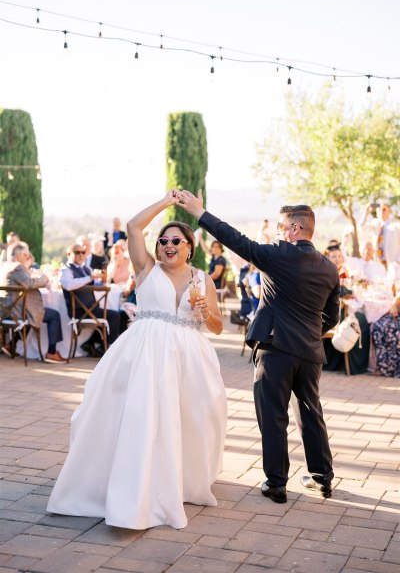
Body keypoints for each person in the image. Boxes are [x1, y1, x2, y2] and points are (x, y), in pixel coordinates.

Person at [47, 191, 227, 530]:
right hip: (144, 354)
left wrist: (206, 312)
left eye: (176, 240)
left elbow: (216, 327)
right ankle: (132, 488)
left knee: (189, 419)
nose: (168, 245)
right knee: (140, 417)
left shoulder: (203, 280)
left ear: (190, 246)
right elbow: (133, 226)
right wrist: (167, 203)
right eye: (163, 240)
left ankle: (178, 482)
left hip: (189, 359)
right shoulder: (146, 268)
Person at [178, 189, 340, 503]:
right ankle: (321, 478)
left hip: (276, 347)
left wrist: (200, 213)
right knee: (311, 412)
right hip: (310, 351)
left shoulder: (276, 253)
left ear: (294, 229)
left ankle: (276, 483)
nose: (279, 232)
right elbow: (331, 318)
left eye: (282, 227)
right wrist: (309, 333)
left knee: (273, 415)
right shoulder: (329, 267)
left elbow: (234, 239)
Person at [0, 242, 66, 363]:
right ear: (19, 254)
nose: (28, 257)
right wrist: (45, 278)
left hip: (6, 311)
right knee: (54, 315)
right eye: (26, 255)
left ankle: (11, 345)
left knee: (33, 313)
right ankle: (51, 352)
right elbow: (29, 283)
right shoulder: (17, 267)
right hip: (16, 313)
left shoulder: (5, 266)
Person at [60, 244, 120, 357]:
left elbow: (94, 284)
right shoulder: (66, 270)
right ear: (69, 254)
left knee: (115, 315)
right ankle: (110, 350)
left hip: (91, 308)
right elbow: (68, 285)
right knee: (114, 316)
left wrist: (102, 280)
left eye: (83, 252)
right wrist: (90, 277)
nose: (81, 255)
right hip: (79, 310)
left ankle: (100, 346)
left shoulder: (86, 269)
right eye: (77, 252)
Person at [322, 244, 370, 375]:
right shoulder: (326, 271)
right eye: (333, 256)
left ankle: (355, 364)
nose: (337, 259)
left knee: (363, 320)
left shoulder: (343, 271)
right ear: (327, 257)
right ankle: (353, 366)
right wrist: (348, 292)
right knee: (360, 322)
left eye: (339, 256)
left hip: (340, 307)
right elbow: (337, 291)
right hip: (329, 312)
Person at [359, 200, 400, 267]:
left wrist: (398, 260)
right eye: (379, 209)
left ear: (389, 211)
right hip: (378, 262)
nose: (381, 211)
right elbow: (362, 228)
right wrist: (366, 213)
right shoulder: (375, 223)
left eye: (384, 209)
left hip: (393, 262)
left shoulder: (396, 225)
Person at [371, 291, 400, 378]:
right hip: (396, 318)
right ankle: (384, 365)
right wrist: (395, 306)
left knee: (395, 333)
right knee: (377, 327)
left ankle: (390, 367)